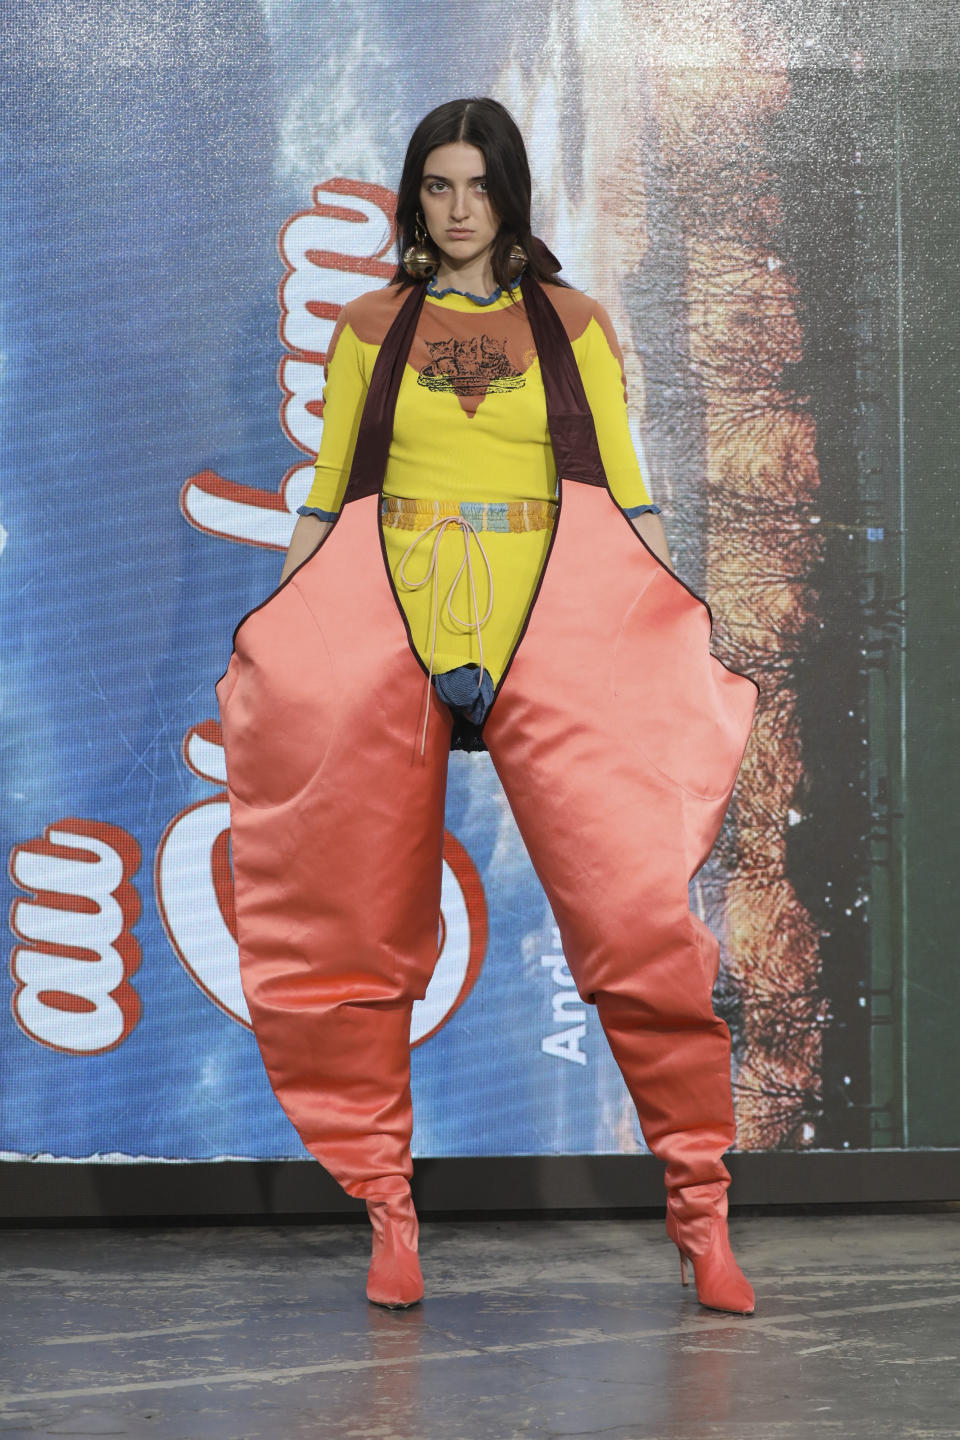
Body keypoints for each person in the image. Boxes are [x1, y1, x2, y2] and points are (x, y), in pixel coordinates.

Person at [216, 97, 759, 1316]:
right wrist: (283, 621)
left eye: (476, 186)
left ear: (511, 195)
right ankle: (389, 1213)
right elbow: (329, 490)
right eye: (436, 186)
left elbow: (626, 490)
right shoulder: (369, 326)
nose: (455, 209)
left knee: (638, 930)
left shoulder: (572, 323)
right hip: (388, 628)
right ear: (414, 197)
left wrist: (678, 615)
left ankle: (703, 1217)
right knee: (345, 930)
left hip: (550, 634)